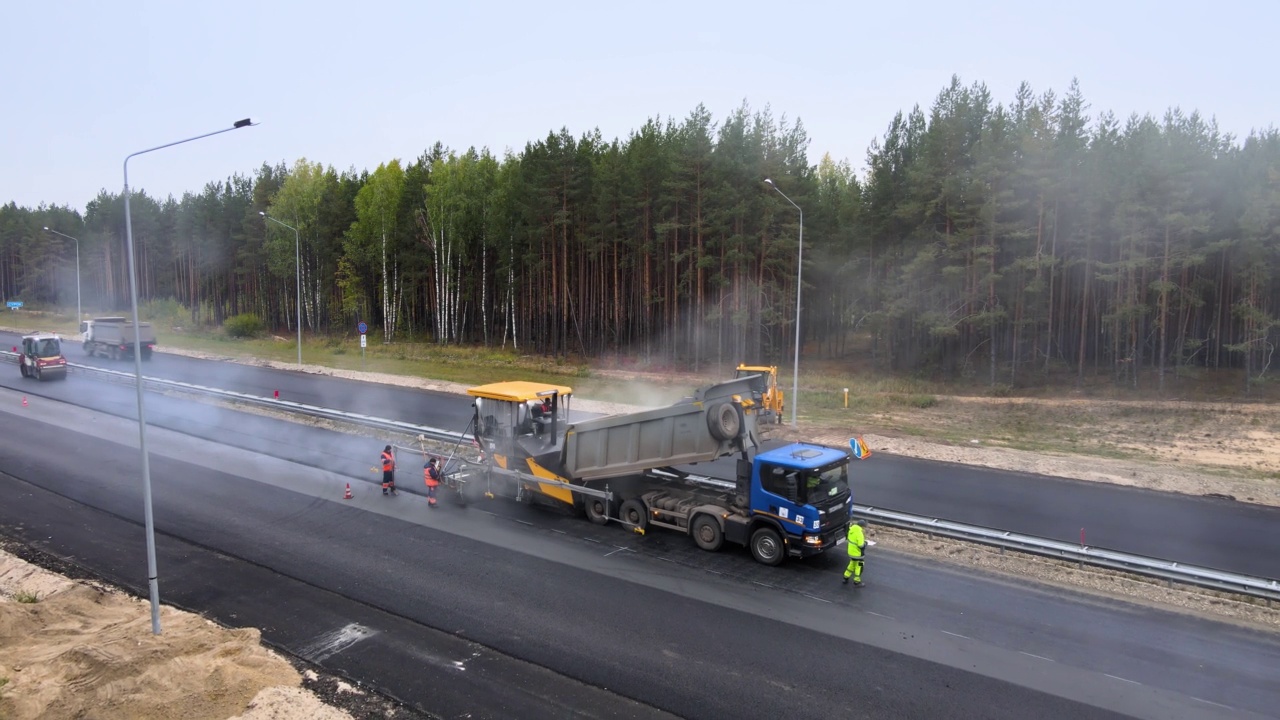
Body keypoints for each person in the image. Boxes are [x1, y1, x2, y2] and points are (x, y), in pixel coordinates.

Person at [843, 519, 866, 586]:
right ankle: (857, 581)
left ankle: (845, 577)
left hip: (851, 552)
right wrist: (865, 544)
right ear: (862, 526)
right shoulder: (859, 533)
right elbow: (861, 545)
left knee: (852, 564)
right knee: (860, 566)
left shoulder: (851, 530)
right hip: (858, 554)